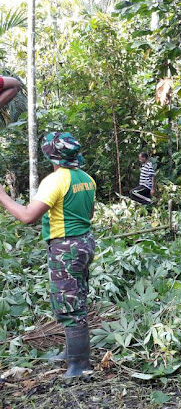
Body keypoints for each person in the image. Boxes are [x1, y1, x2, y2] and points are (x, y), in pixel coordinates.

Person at [0, 132, 96, 378]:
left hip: (66, 247)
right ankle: (72, 353)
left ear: (51, 155)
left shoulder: (55, 180)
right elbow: (89, 214)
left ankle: (79, 364)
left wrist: (2, 196)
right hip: (84, 242)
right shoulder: (86, 179)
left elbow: (27, 216)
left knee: (68, 305)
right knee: (77, 296)